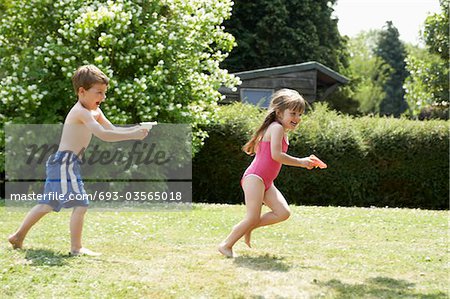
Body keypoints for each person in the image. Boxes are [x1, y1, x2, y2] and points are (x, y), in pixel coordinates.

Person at [8, 65, 149, 256]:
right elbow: (104, 135)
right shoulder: (80, 112)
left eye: (104, 93)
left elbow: (112, 129)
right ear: (82, 91)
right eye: (99, 92)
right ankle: (76, 248)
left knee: (48, 204)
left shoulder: (94, 111)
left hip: (65, 164)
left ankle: (18, 236)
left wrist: (135, 129)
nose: (103, 98)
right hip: (65, 163)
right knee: (81, 204)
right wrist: (133, 135)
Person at [218, 88, 319, 258]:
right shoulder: (276, 128)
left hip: (265, 181)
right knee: (252, 216)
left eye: (300, 114)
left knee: (283, 213)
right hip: (255, 178)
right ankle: (226, 245)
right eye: (293, 113)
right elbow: (276, 155)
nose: (297, 118)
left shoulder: (278, 129)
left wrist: (304, 160)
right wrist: (301, 162)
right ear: (279, 113)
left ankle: (249, 227)